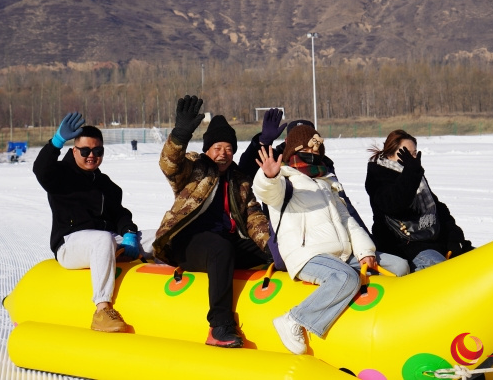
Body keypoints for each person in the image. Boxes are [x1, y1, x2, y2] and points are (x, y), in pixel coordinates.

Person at [252, 125, 409, 355]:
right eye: (307, 150)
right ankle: (293, 319)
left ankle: (395, 321)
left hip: (341, 253)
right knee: (345, 278)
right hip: (307, 254)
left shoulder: (326, 182)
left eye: (317, 150)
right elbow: (267, 191)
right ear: (293, 151)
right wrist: (269, 176)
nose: (313, 154)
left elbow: (346, 220)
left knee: (399, 266)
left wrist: (365, 251)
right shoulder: (284, 181)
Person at [152, 95, 271, 349]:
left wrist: (273, 246)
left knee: (270, 252)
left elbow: (253, 216)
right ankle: (219, 325)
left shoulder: (239, 179)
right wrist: (180, 135)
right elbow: (170, 165)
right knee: (220, 247)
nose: (223, 154)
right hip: (188, 243)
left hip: (224, 242)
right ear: (207, 149)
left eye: (228, 149)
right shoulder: (195, 168)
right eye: (217, 148)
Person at [33, 112, 141, 333]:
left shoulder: (105, 184)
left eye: (97, 151)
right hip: (70, 246)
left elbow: (119, 214)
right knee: (102, 239)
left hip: (106, 241)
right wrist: (56, 142)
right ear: (74, 151)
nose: (92, 155)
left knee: (157, 236)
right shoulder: (60, 176)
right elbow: (41, 170)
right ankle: (102, 310)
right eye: (85, 151)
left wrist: (129, 232)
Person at [238, 108, 369, 231]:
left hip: (323, 229)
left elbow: (343, 203)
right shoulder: (275, 159)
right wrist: (263, 143)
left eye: (308, 140)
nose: (304, 146)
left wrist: (364, 235)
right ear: (287, 140)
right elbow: (245, 171)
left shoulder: (323, 165)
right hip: (285, 230)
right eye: (296, 139)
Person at [365, 129, 473, 272]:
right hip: (404, 246)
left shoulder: (415, 174)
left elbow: (437, 208)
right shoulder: (378, 177)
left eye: (414, 153)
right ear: (390, 154)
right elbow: (395, 205)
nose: (412, 158)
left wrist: (455, 238)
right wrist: (411, 173)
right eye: (405, 154)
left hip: (433, 240)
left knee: (474, 259)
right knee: (442, 270)